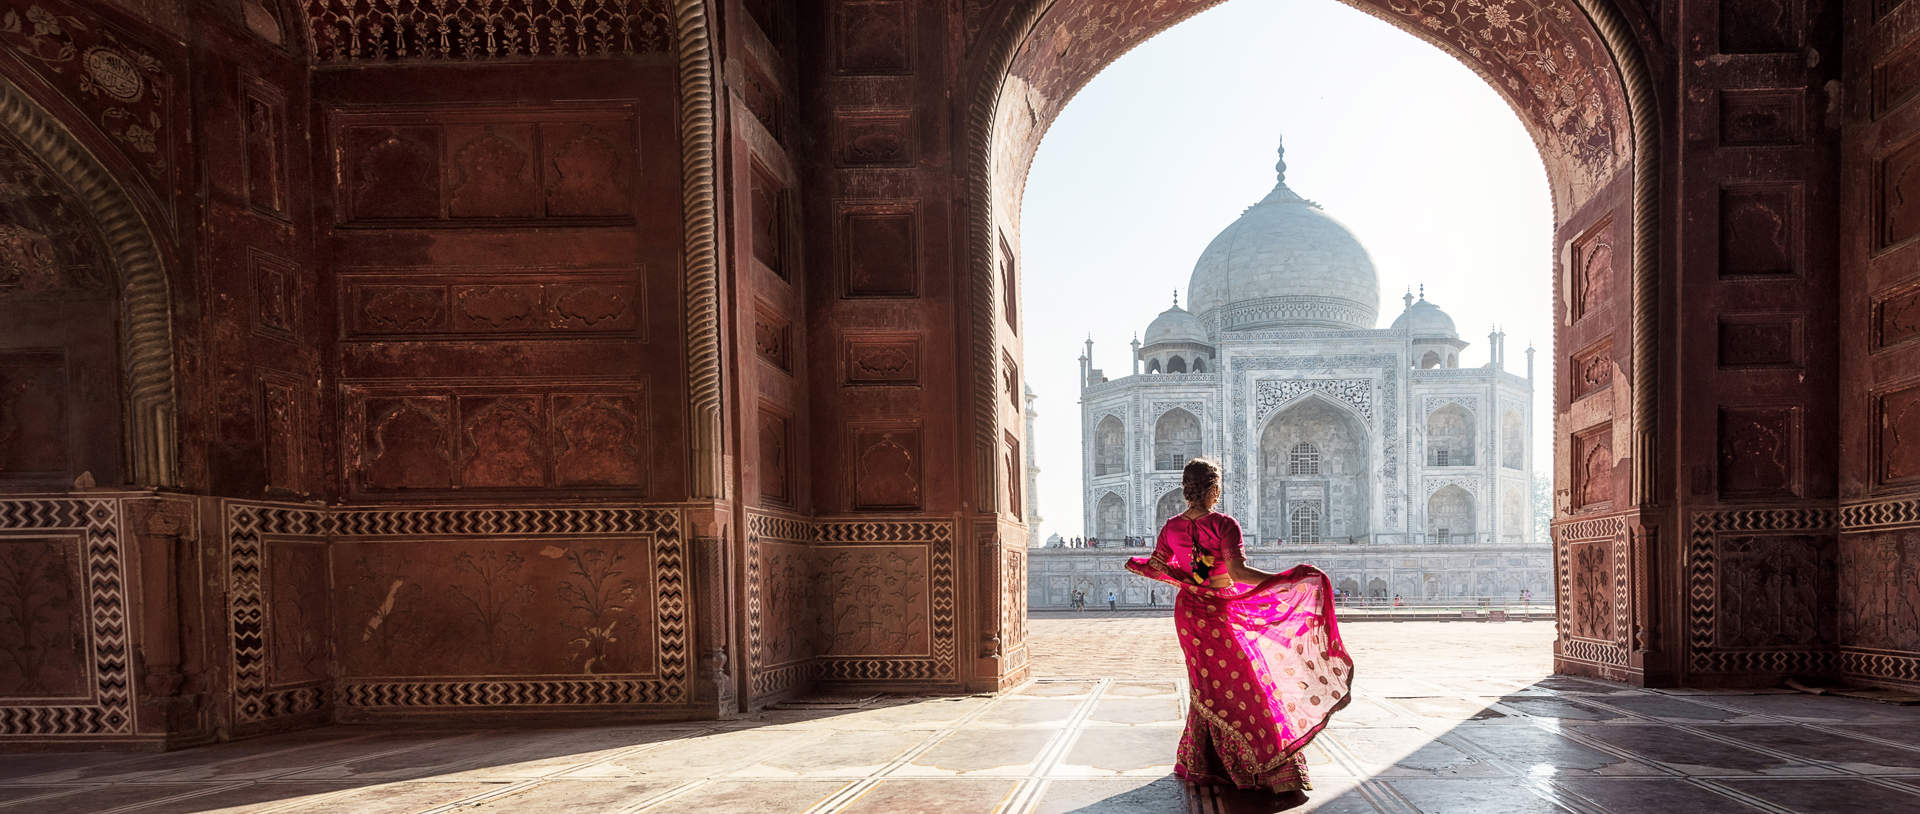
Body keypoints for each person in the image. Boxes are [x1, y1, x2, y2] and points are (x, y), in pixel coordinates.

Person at [1124, 458, 1352, 796]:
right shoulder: (1224, 524)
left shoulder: (1171, 526)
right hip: (1217, 607)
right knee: (1245, 680)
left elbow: (1158, 566)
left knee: (1208, 685)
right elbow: (1239, 574)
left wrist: (1185, 579)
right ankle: (1263, 765)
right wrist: (1283, 581)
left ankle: (1206, 762)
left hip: (1189, 611)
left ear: (1187, 489)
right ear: (1215, 489)